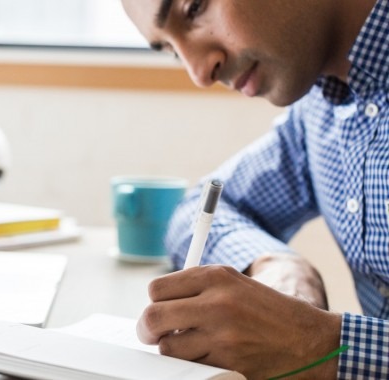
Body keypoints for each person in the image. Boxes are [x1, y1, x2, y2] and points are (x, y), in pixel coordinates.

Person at [120, 0, 387, 378]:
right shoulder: (319, 112)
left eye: (194, 8)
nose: (199, 73)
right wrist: (280, 266)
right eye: (169, 49)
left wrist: (318, 343)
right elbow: (197, 209)